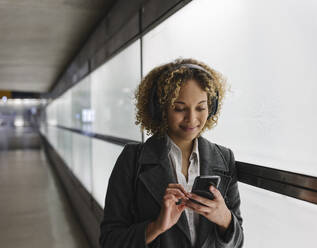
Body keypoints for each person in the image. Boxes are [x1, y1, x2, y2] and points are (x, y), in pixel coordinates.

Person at [100, 58, 244, 247]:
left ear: (212, 107)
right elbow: (110, 241)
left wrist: (225, 219)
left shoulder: (224, 158)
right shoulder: (132, 159)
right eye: (179, 108)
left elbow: (238, 241)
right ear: (160, 109)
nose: (192, 119)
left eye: (201, 107)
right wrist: (156, 226)